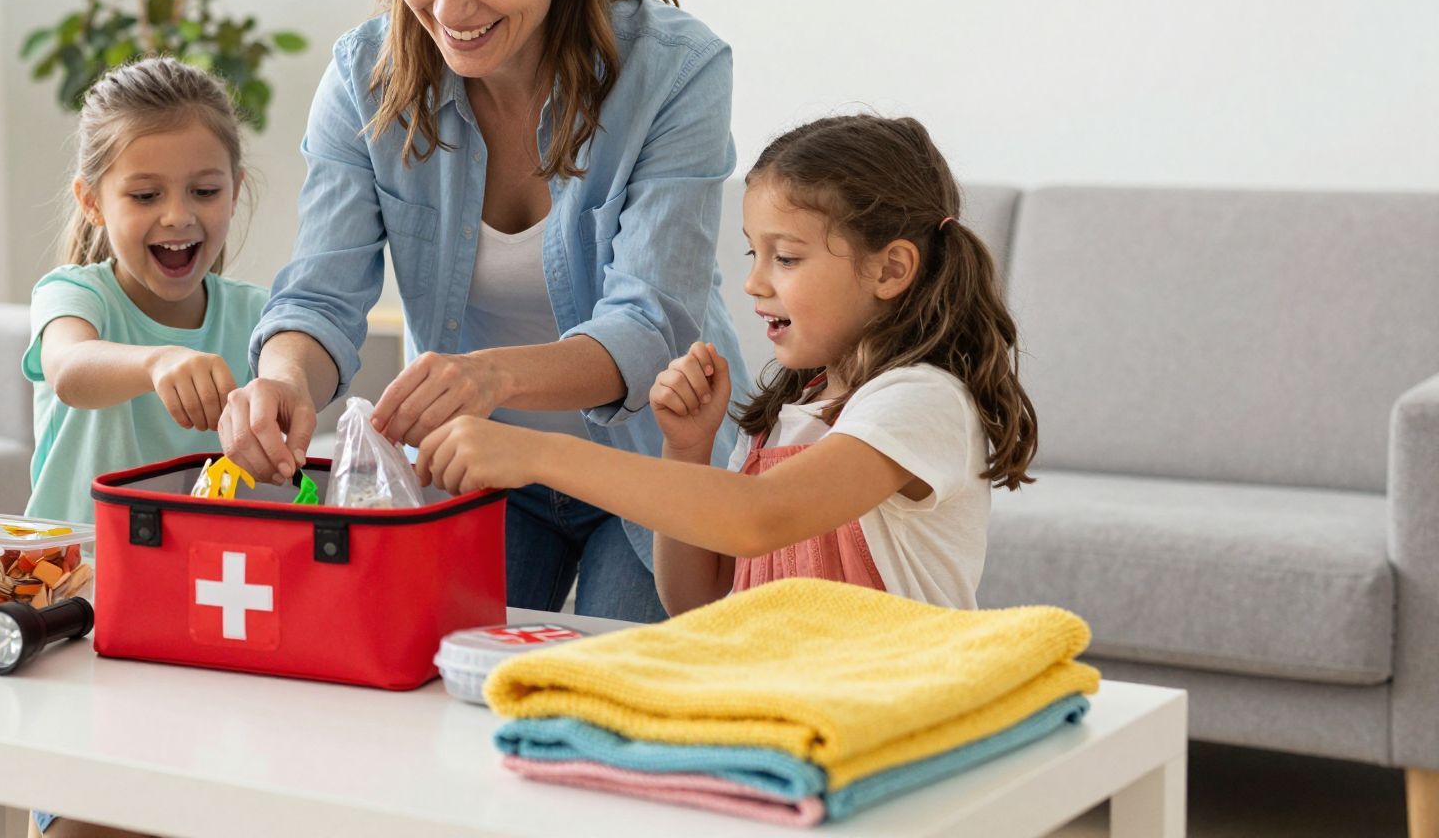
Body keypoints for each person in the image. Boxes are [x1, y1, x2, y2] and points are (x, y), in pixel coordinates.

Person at [219, 0, 750, 623]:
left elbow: (654, 325)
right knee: (424, 675)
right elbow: (321, 294)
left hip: (650, 471)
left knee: (618, 690)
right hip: (480, 468)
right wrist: (281, 378)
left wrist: (489, 375)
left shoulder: (675, 73)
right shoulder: (366, 81)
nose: (450, 7)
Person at [415, 115, 1040, 613]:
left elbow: (760, 516)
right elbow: (699, 603)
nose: (753, 284)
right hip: (791, 707)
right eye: (752, 254)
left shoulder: (918, 400)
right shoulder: (787, 417)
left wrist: (534, 454)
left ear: (891, 269)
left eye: (786, 258)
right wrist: (686, 448)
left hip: (896, 709)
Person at [23, 56, 268, 528]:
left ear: (234, 192)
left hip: (208, 575)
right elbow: (69, 370)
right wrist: (158, 362)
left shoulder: (257, 314)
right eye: (145, 196)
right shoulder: (74, 294)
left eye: (205, 191)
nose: (177, 215)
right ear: (91, 202)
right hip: (76, 577)